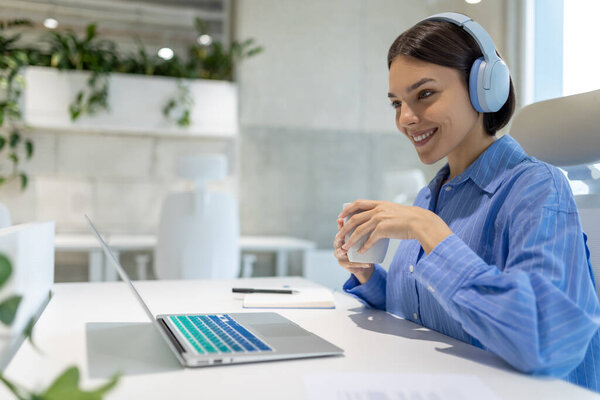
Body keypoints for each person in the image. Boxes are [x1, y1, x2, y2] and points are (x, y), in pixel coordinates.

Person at [334, 12, 600, 392]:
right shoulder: (432, 194)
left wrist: (429, 230)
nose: (406, 118)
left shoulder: (537, 187)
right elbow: (426, 310)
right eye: (396, 103)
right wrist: (368, 276)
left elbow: (546, 341)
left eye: (424, 94)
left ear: (484, 89)